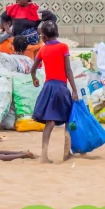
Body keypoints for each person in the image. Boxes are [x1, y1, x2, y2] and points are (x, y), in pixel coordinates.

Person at [30, 19, 79, 163]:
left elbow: (33, 69)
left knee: (49, 122)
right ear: (57, 33)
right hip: (61, 88)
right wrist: (74, 89)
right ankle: (66, 154)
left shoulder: (43, 49)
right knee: (67, 120)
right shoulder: (63, 47)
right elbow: (68, 70)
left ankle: (44, 155)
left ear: (44, 36)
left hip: (49, 88)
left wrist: (34, 79)